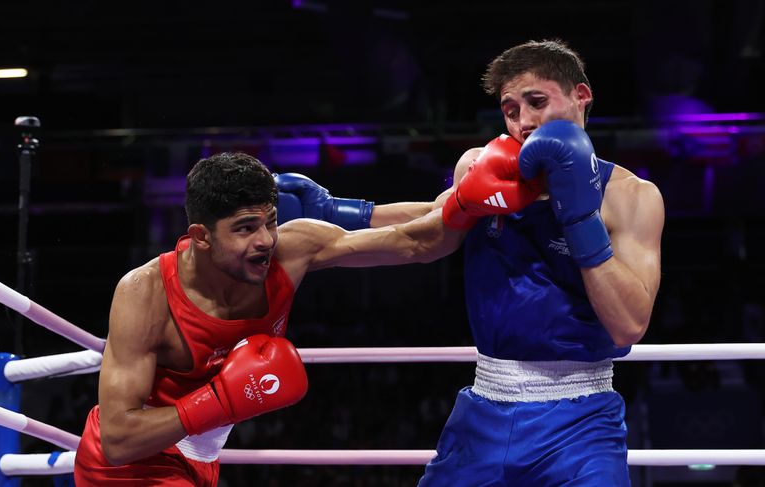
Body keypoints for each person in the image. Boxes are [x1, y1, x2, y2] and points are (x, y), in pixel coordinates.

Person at [278, 39, 664, 486]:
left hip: (582, 423)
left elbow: (628, 325)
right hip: (485, 412)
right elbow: (429, 227)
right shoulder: (485, 169)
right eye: (510, 109)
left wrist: (577, 215)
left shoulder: (633, 197)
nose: (523, 122)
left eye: (537, 102)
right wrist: (334, 212)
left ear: (581, 96)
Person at [74, 150, 523, 485]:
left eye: (270, 221)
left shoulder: (295, 247)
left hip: (199, 461)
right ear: (201, 237)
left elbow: (416, 240)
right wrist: (222, 400)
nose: (266, 240)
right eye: (246, 229)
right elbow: (118, 439)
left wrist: (470, 194)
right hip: (128, 469)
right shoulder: (145, 293)